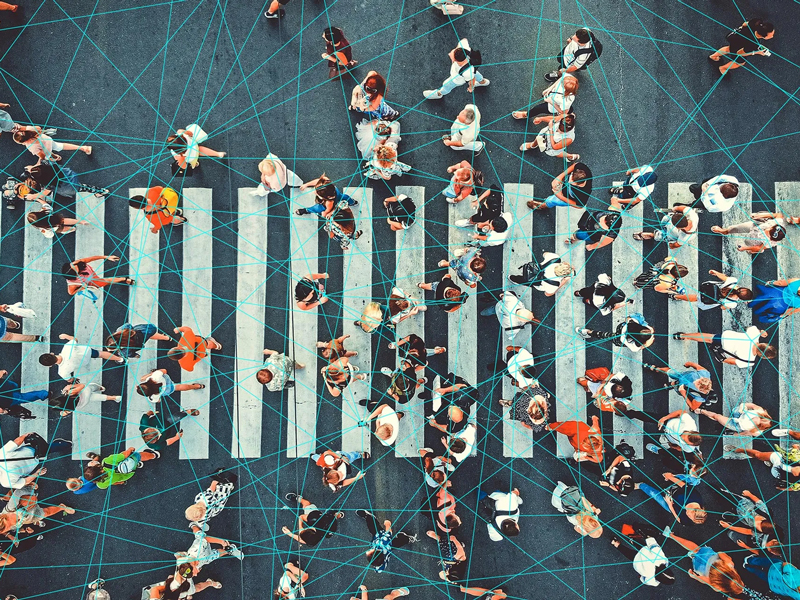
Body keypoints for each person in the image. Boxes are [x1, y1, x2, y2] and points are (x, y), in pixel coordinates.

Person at [665, 530, 746, 599]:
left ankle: (671, 535)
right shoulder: (718, 587)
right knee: (695, 559)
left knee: (696, 549)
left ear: (736, 576)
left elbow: (720, 553)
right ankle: (693, 557)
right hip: (701, 568)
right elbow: (704, 580)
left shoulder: (730, 564)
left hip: (708, 555)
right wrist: (694, 575)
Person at [714, 487, 783, 555]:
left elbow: (748, 531)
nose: (756, 524)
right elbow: (759, 502)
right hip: (745, 506)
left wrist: (729, 527)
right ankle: (722, 494)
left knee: (731, 533)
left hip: (745, 520)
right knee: (729, 497)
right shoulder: (765, 514)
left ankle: (733, 518)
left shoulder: (758, 532)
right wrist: (749, 494)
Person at [673, 326, 776, 368]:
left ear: (765, 344)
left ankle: (683, 336)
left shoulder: (754, 335)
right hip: (724, 348)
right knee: (709, 340)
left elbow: (748, 327)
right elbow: (729, 361)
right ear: (762, 356)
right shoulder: (749, 361)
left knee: (708, 337)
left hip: (726, 336)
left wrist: (760, 332)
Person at [610, 523, 675, 587]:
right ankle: (615, 543)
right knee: (627, 552)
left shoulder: (661, 560)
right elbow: (643, 579)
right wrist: (641, 576)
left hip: (644, 551)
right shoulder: (654, 582)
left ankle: (632, 539)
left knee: (640, 545)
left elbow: (653, 546)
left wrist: (648, 537)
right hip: (637, 563)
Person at [423, 37, 488, 99]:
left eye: (452, 57)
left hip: (457, 79)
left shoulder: (466, 72)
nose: (450, 54)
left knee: (446, 85)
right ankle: (482, 82)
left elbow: (472, 79)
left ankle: (439, 93)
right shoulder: (464, 49)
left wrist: (471, 88)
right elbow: (464, 40)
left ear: (457, 61)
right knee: (475, 73)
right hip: (471, 70)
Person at [39, 332, 122, 381]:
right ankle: (120, 358)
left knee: (100, 355)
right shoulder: (66, 348)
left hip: (83, 362)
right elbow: (75, 340)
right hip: (87, 351)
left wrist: (74, 380)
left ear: (50, 365)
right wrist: (65, 336)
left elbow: (70, 379)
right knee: (101, 354)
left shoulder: (61, 372)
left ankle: (119, 359)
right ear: (51, 353)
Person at [709, 18, 775, 75]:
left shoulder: (757, 22)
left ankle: (713, 56)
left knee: (728, 49)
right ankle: (722, 68)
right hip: (739, 46)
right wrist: (757, 52)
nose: (772, 36)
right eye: (771, 35)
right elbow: (740, 53)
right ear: (764, 36)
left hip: (736, 38)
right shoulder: (754, 44)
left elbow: (744, 24)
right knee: (740, 63)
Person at [639, 472, 707, 525]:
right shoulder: (694, 496)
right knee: (678, 478)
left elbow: (679, 520)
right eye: (690, 513)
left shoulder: (691, 520)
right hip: (676, 490)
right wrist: (670, 477)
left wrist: (670, 505)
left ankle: (641, 485)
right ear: (695, 509)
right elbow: (682, 485)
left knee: (654, 494)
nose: (687, 514)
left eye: (690, 517)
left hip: (672, 506)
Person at [725, 443, 800, 491]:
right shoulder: (797, 458)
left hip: (777, 472)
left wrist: (782, 488)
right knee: (758, 455)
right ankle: (738, 450)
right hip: (779, 459)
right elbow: (795, 446)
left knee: (771, 466)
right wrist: (796, 448)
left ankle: (770, 463)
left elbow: (793, 488)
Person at [644, 362, 716, 411]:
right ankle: (657, 369)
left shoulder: (700, 398)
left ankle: (672, 384)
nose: (695, 381)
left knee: (677, 385)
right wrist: (689, 364)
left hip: (683, 388)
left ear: (700, 390)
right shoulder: (705, 373)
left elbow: (693, 407)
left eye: (696, 384)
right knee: (669, 371)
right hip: (682, 375)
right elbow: (696, 366)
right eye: (698, 380)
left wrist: (683, 393)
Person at [671, 268, 751, 309]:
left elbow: (724, 277)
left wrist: (715, 273)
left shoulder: (733, 281)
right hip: (709, 299)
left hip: (709, 288)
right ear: (740, 298)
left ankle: (676, 296)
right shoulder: (733, 303)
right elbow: (722, 307)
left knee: (696, 296)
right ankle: (676, 296)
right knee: (696, 298)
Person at [512, 74, 578, 122]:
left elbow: (563, 112)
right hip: (552, 96)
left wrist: (550, 101)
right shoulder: (569, 79)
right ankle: (570, 113)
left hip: (552, 106)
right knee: (569, 108)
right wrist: (549, 88)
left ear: (566, 89)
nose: (561, 82)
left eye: (562, 84)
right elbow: (561, 78)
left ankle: (526, 114)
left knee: (538, 108)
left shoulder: (567, 101)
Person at [87, 446, 158, 490]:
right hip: (127, 463)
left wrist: (121, 482)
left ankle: (137, 465)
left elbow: (113, 483)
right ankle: (154, 455)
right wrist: (130, 449)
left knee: (132, 465)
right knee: (137, 455)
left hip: (128, 474)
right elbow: (124, 455)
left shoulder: (100, 484)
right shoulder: (106, 462)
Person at [576, 313, 655, 353]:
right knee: (604, 335)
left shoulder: (634, 323)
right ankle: (589, 333)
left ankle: (588, 333)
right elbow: (637, 348)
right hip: (619, 339)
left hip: (621, 328)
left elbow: (628, 319)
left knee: (605, 335)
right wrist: (646, 344)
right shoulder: (635, 344)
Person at [526, 162, 591, 210]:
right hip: (565, 190)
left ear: (579, 184)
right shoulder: (583, 169)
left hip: (567, 198)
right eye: (571, 176)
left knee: (552, 200)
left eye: (572, 182)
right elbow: (575, 165)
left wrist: (560, 196)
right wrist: (560, 177)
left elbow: (579, 206)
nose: (569, 180)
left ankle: (542, 206)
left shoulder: (583, 193)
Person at [61, 255, 134, 297]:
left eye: (75, 266)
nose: (77, 266)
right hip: (92, 282)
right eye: (77, 270)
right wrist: (83, 288)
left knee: (106, 281)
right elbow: (71, 293)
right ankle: (123, 279)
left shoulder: (75, 264)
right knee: (106, 281)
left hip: (90, 274)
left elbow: (91, 258)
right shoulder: (72, 284)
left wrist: (106, 257)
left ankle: (123, 280)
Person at [634, 205, 699, 249]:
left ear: (678, 228)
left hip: (672, 234)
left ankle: (653, 235)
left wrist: (671, 245)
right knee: (666, 219)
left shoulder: (685, 237)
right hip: (669, 224)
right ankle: (663, 226)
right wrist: (675, 208)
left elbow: (677, 244)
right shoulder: (692, 215)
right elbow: (684, 208)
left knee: (662, 236)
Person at [508, 252, 574, 294]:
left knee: (523, 276)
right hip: (536, 281)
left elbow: (544, 254)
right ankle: (513, 279)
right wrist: (564, 281)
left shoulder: (555, 258)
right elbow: (548, 294)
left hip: (533, 269)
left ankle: (512, 278)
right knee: (526, 281)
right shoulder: (554, 284)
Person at [711, 219, 785, 255]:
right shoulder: (777, 222)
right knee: (737, 228)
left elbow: (759, 247)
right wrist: (758, 216)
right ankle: (725, 231)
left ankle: (753, 251)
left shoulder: (771, 242)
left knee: (748, 242)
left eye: (769, 232)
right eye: (771, 228)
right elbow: (775, 215)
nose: (768, 229)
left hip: (757, 239)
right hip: (755, 226)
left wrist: (744, 248)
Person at [13, 128, 91, 161]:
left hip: (47, 149)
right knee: (59, 146)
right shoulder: (30, 131)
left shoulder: (30, 146)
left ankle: (55, 157)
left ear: (23, 142)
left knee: (47, 156)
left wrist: (40, 162)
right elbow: (39, 129)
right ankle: (83, 148)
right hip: (47, 140)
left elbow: (41, 155)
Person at [696, 403, 771, 437]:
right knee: (735, 410)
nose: (755, 418)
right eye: (759, 418)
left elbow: (746, 433)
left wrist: (736, 434)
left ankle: (701, 411)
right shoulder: (759, 410)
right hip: (740, 414)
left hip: (736, 424)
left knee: (717, 417)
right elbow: (750, 405)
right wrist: (743, 406)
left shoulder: (757, 432)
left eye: (756, 421)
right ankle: (702, 411)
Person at [49, 381, 121, 417]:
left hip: (84, 401)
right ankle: (100, 388)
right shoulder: (70, 393)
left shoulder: (69, 408)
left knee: (98, 398)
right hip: (86, 391)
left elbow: (63, 414)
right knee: (92, 387)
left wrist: (62, 412)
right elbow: (82, 385)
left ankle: (114, 398)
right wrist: (70, 386)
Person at [105, 323, 171, 360]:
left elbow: (130, 354)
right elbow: (128, 325)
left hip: (142, 340)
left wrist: (136, 355)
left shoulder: (124, 351)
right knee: (149, 334)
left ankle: (166, 338)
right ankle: (166, 337)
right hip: (144, 329)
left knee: (148, 336)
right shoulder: (121, 330)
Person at [136, 368, 205, 404]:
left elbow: (158, 400)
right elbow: (164, 371)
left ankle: (197, 386)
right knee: (142, 378)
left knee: (178, 388)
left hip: (167, 390)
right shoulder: (154, 377)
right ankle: (197, 386)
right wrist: (152, 374)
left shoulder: (152, 397)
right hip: (166, 381)